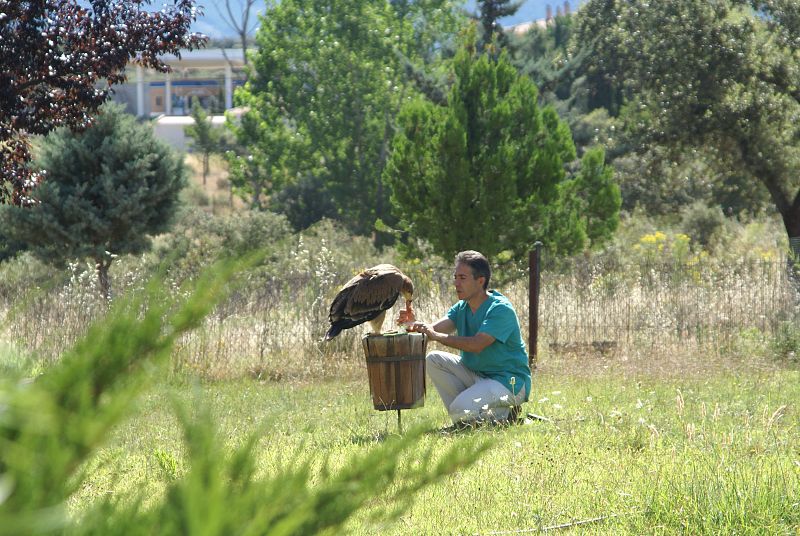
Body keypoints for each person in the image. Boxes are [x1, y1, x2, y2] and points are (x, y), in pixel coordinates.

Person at [407, 250, 531, 425]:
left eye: (462, 278)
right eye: (455, 277)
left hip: (508, 383)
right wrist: (411, 324)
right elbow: (433, 330)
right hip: (478, 376)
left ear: (480, 281)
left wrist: (437, 336)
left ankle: (498, 415)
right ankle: (485, 416)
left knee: (459, 410)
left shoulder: (500, 309)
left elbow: (477, 344)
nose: (456, 283)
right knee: (434, 359)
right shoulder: (462, 307)